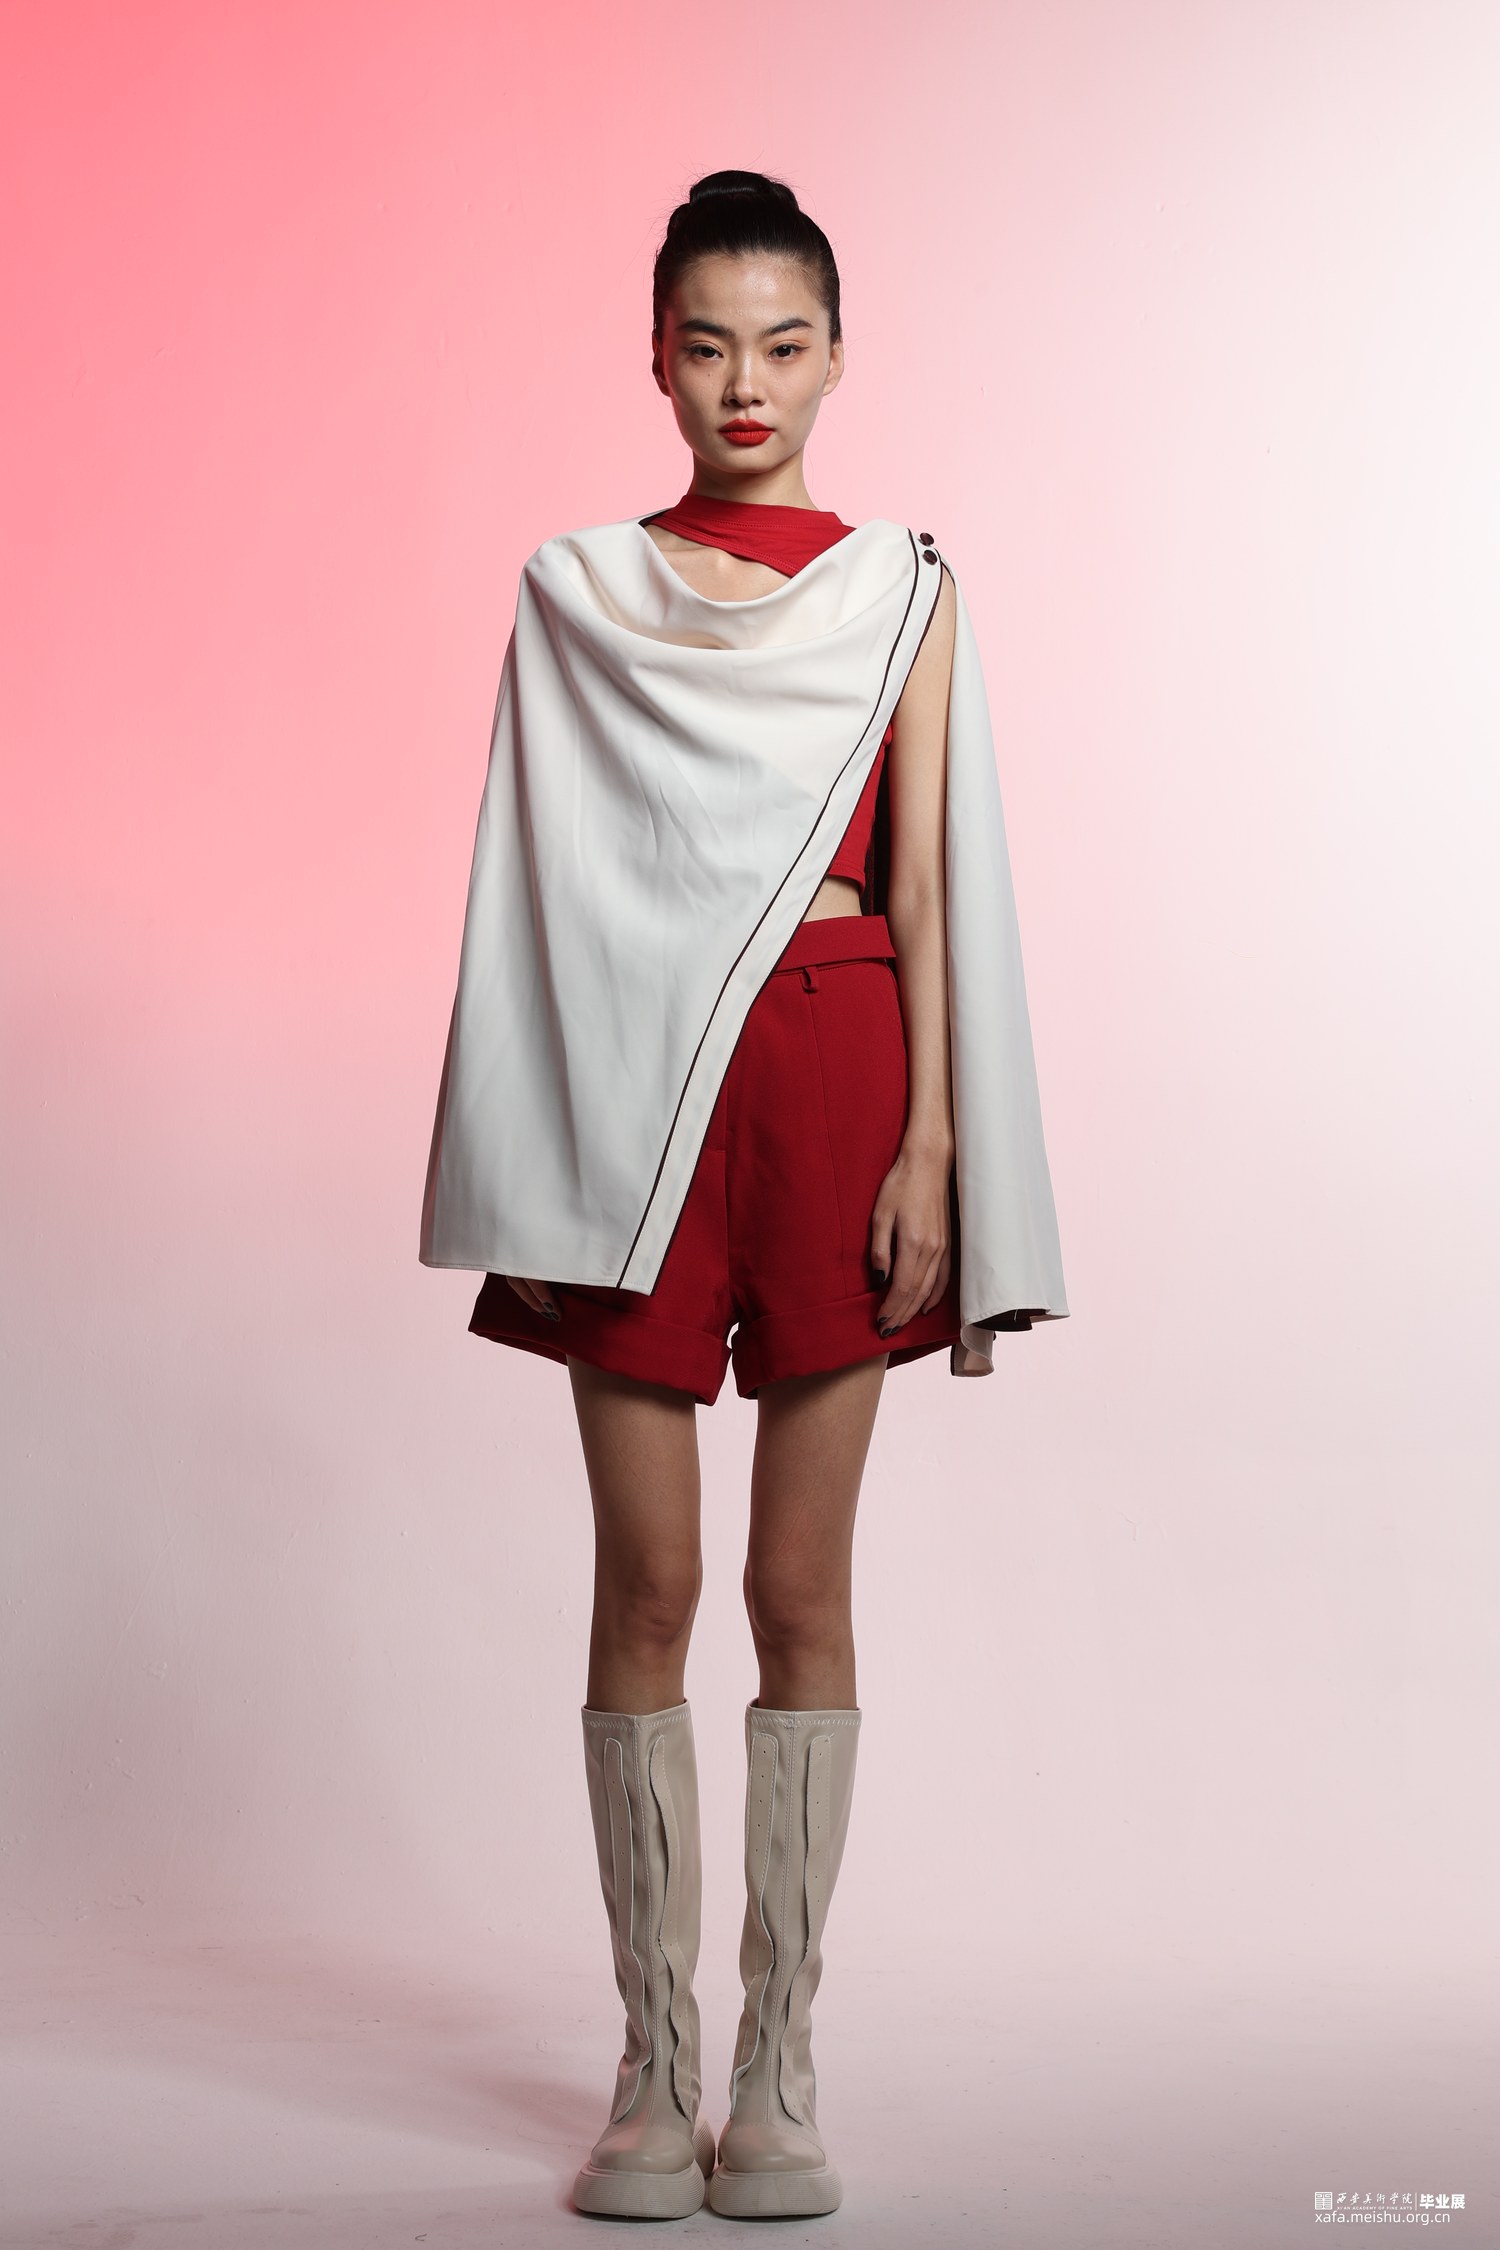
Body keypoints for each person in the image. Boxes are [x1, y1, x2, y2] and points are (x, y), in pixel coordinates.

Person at [419, 168, 1068, 2221]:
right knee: (647, 1583)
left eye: (783, 343)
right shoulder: (579, 590)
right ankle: (651, 2070)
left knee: (802, 1589)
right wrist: (538, 1136)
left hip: (842, 1073)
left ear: (838, 355)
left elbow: (934, 875)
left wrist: (936, 1142)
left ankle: (776, 2068)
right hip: (633, 1091)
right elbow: (541, 893)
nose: (746, 383)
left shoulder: (909, 590)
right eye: (707, 344)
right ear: (656, 360)